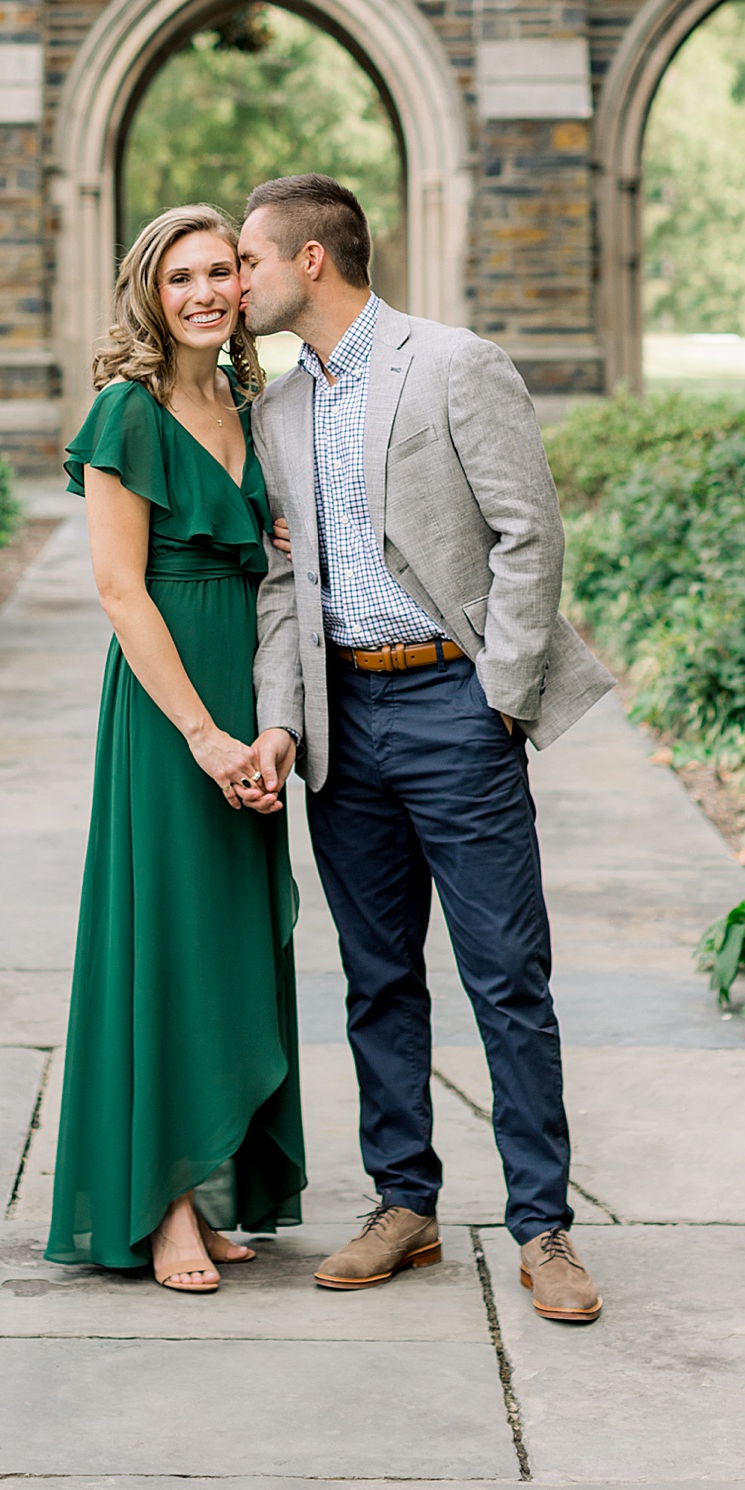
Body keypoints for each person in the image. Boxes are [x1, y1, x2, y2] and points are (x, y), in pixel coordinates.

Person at [236, 174, 613, 1323]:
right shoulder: (279, 409)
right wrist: (286, 714)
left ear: (310, 259)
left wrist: (498, 693)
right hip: (344, 726)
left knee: (507, 977)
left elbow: (527, 531)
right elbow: (286, 582)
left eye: (248, 258)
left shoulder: (452, 362)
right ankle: (405, 1206)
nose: (236, 280)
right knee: (377, 977)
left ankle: (543, 1228)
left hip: (455, 708)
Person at [46, 204, 305, 1292]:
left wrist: (268, 721)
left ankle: (210, 1172)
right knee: (168, 939)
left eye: (221, 272)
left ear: (245, 289)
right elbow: (118, 586)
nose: (206, 291)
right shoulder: (128, 410)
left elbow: (266, 549)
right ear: (151, 293)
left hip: (251, 701)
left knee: (230, 940)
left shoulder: (247, 401)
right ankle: (163, 1209)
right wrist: (201, 732)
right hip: (170, 712)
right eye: (182, 276)